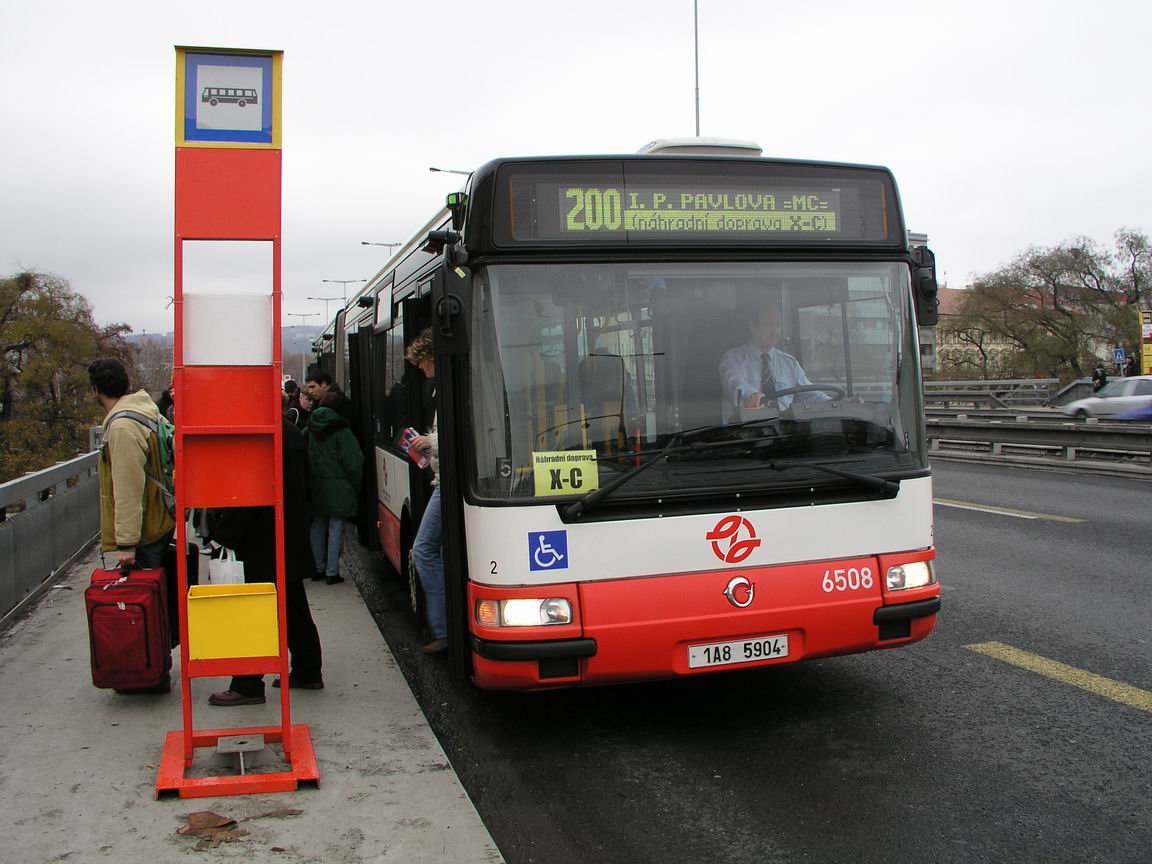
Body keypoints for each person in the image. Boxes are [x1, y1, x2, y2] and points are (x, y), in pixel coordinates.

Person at [208, 417, 324, 706]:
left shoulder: (263, 435)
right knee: (293, 607)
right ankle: (308, 670)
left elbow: (251, 493)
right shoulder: (289, 431)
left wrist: (223, 533)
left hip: (263, 540)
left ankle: (247, 684)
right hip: (288, 533)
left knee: (254, 612)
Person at [90, 358, 176, 572]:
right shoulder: (145, 411)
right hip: (161, 517)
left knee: (140, 596)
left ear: (96, 390)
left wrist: (127, 543)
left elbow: (128, 488)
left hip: (146, 531)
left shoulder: (122, 428)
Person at [406, 329, 447, 654]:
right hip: (440, 480)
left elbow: (462, 433)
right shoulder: (442, 387)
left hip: (444, 485)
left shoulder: (446, 387)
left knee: (423, 551)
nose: (420, 369)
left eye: (421, 362)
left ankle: (443, 629)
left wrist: (429, 442)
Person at [719, 300, 829, 417]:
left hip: (786, 431)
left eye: (778, 325)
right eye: (768, 325)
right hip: (745, 432)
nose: (775, 331)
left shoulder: (789, 363)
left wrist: (834, 402)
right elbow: (735, 384)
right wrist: (753, 396)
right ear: (752, 325)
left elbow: (809, 393)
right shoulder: (733, 359)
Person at [306, 389, 363, 585]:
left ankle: (317, 568)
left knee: (317, 525)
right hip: (339, 486)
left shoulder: (310, 427)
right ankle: (332, 571)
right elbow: (354, 462)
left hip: (316, 485)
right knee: (336, 527)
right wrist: (356, 485)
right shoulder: (342, 430)